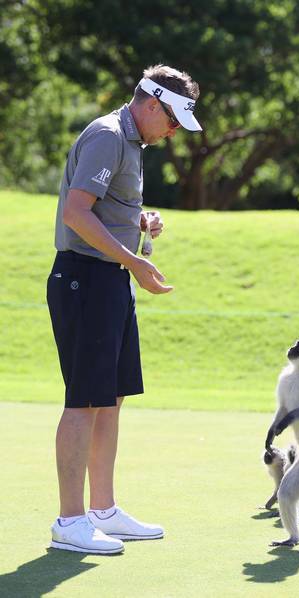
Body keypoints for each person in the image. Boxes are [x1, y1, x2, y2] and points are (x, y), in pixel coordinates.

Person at [46, 64, 202, 554]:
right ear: (151, 102)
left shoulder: (133, 143)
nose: (174, 131)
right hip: (83, 277)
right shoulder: (109, 135)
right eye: (173, 119)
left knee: (111, 398)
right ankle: (70, 521)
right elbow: (76, 213)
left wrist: (140, 220)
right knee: (83, 400)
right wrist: (134, 260)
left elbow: (106, 206)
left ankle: (103, 511)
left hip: (109, 279)